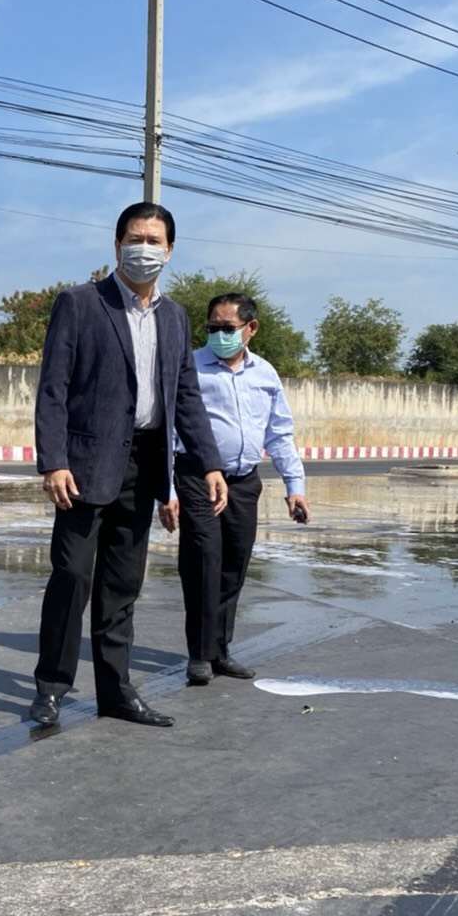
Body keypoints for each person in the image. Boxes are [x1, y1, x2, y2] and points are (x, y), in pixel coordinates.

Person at [30, 201, 228, 730]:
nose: (144, 249)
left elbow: (186, 397)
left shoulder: (175, 317)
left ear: (170, 250)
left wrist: (208, 463)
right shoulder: (80, 303)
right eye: (135, 239)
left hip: (143, 465)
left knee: (122, 584)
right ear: (117, 245)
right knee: (72, 576)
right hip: (83, 467)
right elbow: (53, 388)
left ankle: (115, 691)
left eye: (154, 241)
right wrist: (53, 461)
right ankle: (51, 687)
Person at [159, 293, 310, 684]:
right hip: (197, 478)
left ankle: (220, 651)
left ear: (251, 328)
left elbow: (279, 433)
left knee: (233, 566)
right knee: (203, 562)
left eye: (227, 328)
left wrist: (295, 485)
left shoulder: (265, 374)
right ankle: (200, 655)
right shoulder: (190, 367)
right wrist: (168, 491)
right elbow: (169, 431)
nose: (219, 335)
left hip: (244, 482)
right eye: (213, 328)